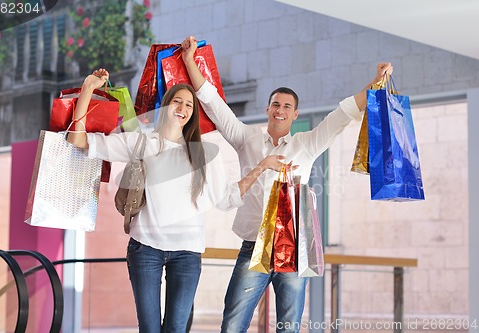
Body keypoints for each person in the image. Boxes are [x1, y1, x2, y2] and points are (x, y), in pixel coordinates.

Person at [180, 35, 393, 332]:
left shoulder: (306, 144)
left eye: (287, 106)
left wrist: (375, 81)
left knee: (289, 327)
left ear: (295, 114)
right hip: (253, 247)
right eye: (275, 104)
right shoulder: (246, 139)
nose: (280, 110)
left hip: (293, 250)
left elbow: (342, 115)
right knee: (232, 324)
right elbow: (214, 104)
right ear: (268, 110)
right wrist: (190, 61)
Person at [67, 68, 290, 333]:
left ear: (192, 114)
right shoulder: (142, 143)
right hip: (145, 249)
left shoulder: (204, 154)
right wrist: (88, 88)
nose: (183, 108)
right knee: (149, 329)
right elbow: (77, 140)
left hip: (187, 253)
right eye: (177, 101)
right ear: (165, 106)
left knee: (175, 328)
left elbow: (226, 199)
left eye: (189, 104)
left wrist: (261, 166)